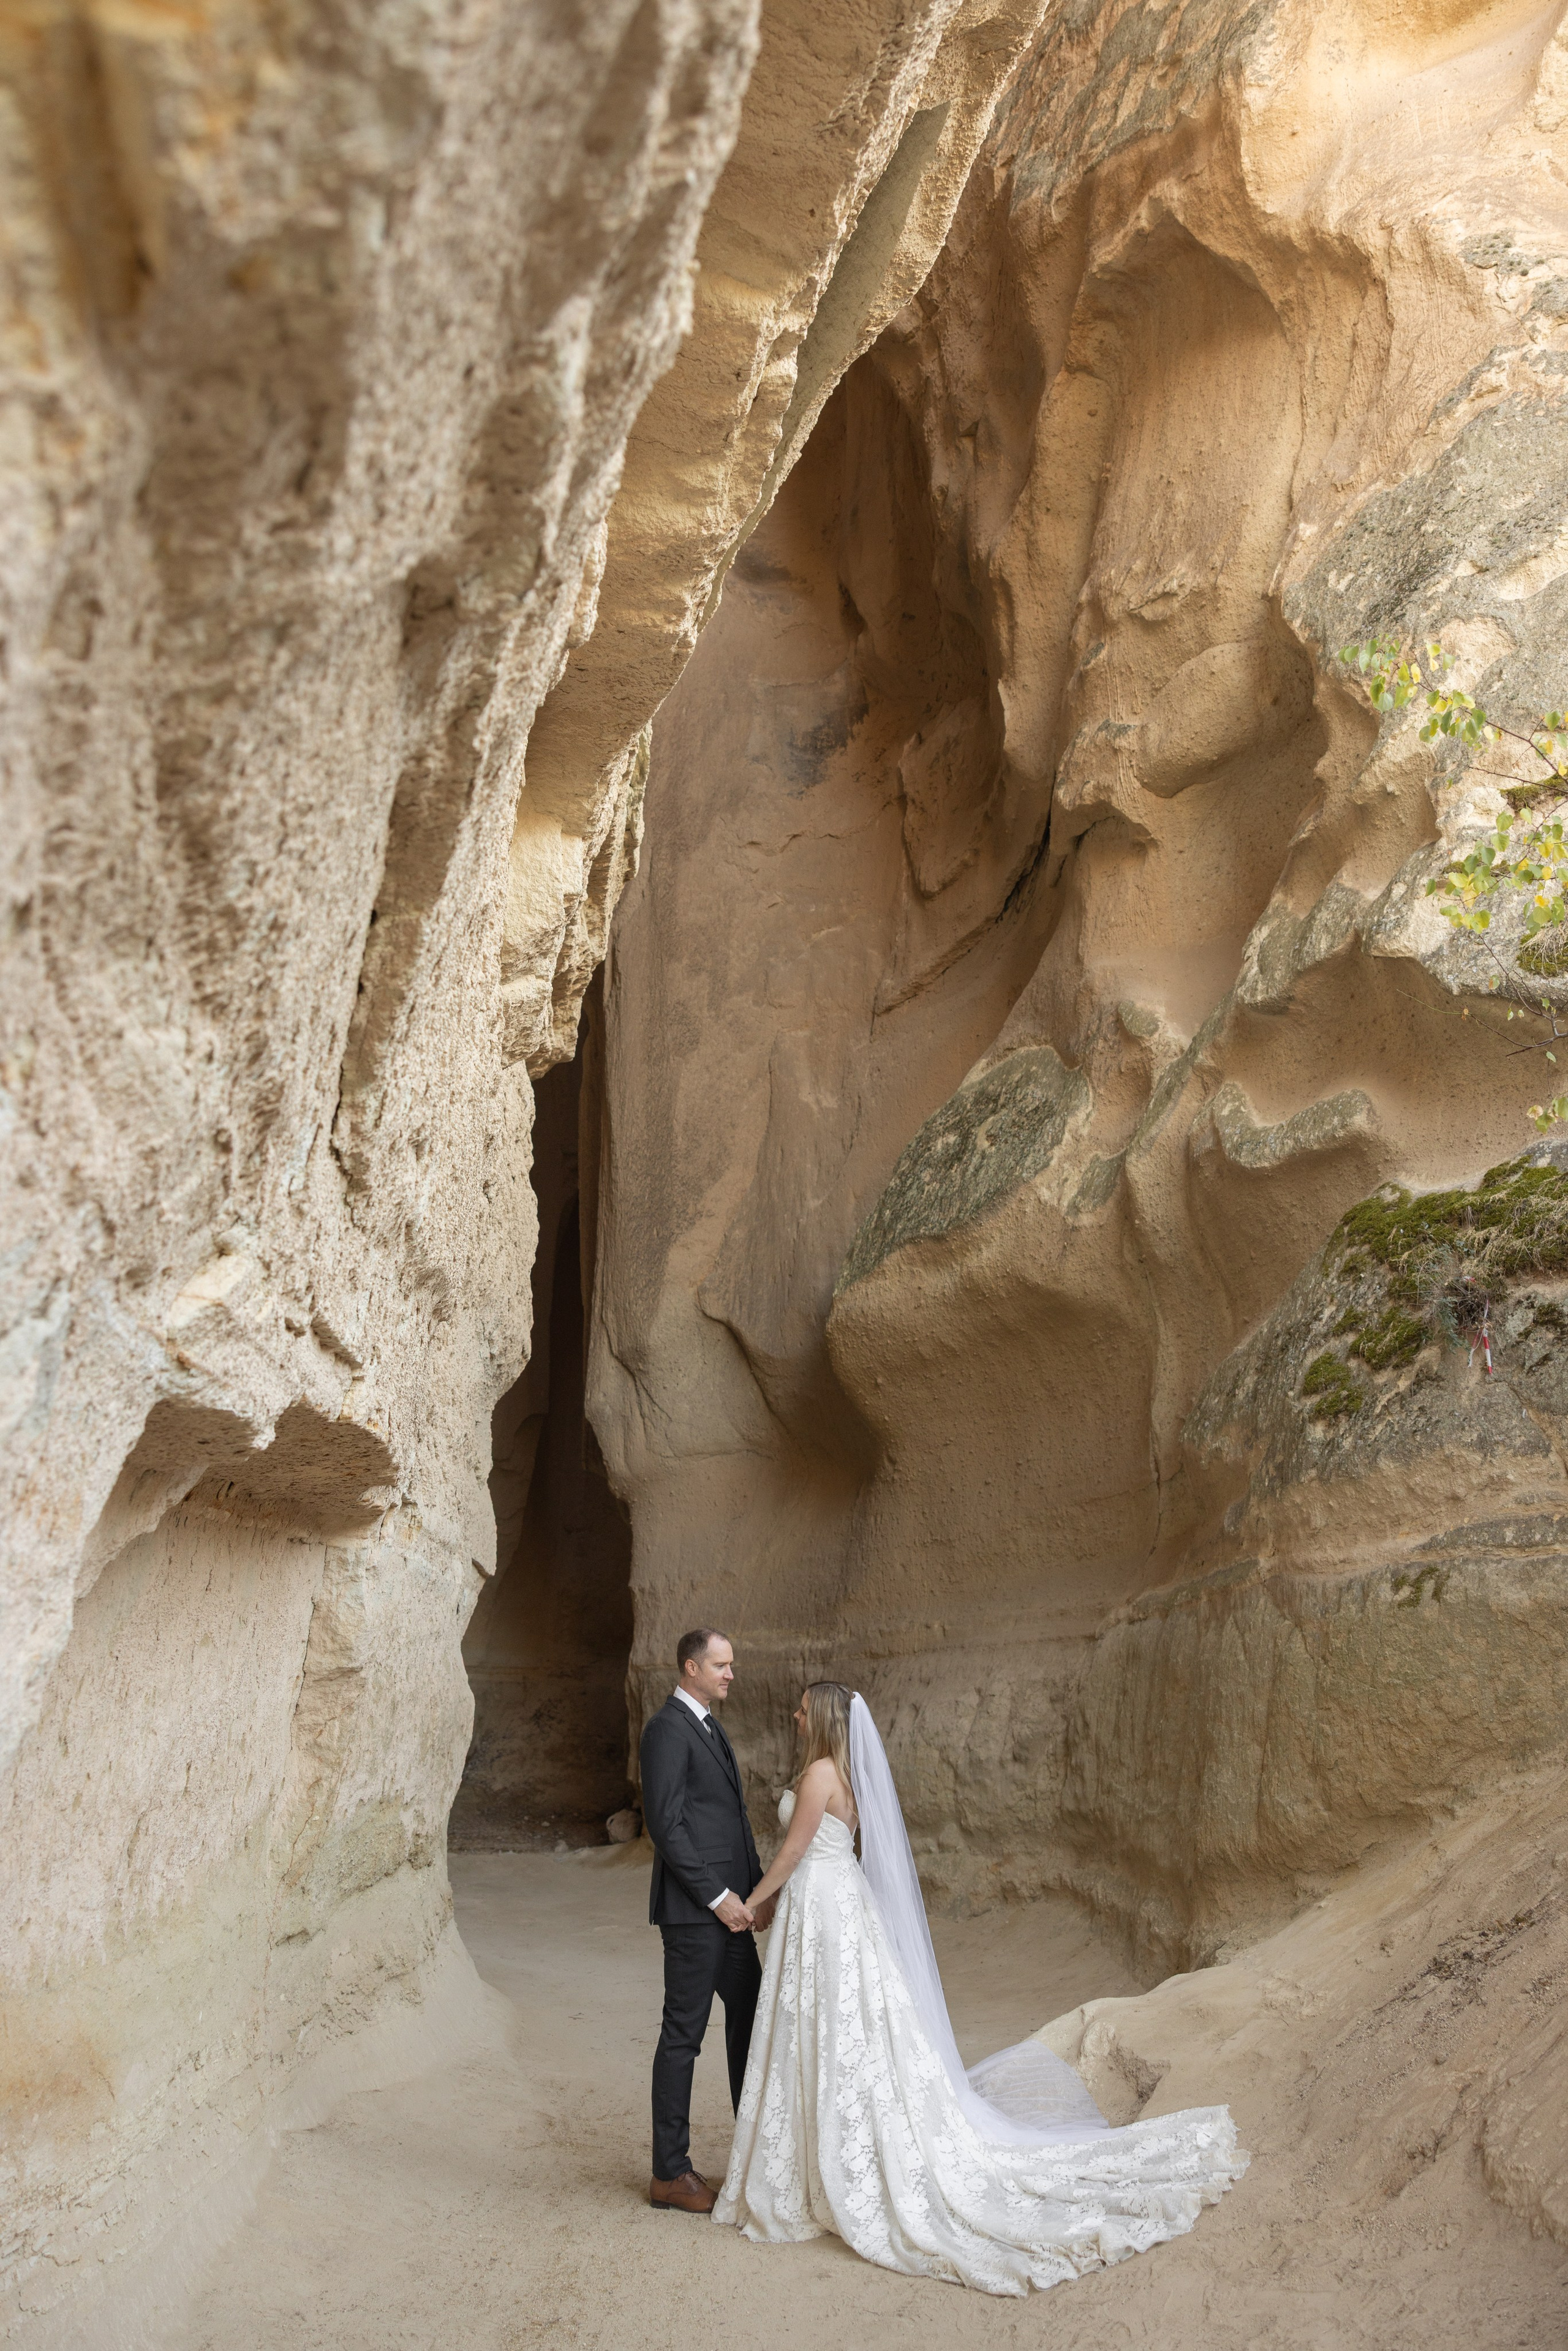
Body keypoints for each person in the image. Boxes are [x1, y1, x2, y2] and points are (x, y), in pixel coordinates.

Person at [714, 1681, 1248, 2295]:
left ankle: (823, 2163)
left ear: (825, 1718)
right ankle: (826, 2150)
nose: (794, 1714)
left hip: (823, 1909)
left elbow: (794, 1850)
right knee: (845, 2026)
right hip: (837, 1904)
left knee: (829, 2023)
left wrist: (753, 1902)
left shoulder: (818, 1776)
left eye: (803, 1708)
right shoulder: (846, 1775)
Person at [638, 1628, 768, 2213]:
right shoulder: (667, 1730)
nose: (730, 1675)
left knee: (753, 2016)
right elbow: (666, 1827)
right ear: (691, 1667)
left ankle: (754, 2148)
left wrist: (758, 1890)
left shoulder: (710, 1727)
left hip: (733, 1908)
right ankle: (670, 2174)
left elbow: (731, 1821)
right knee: (683, 2037)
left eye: (731, 1666)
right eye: (721, 1665)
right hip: (697, 1914)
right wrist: (719, 1897)